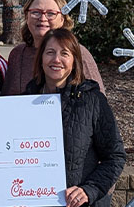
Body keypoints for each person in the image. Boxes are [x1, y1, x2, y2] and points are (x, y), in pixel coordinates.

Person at [24, 28, 126, 207]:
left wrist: (90, 189)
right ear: (40, 59)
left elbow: (115, 156)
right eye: (50, 52)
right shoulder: (24, 102)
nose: (56, 59)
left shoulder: (92, 101)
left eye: (64, 53)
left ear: (74, 61)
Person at [2, 0, 105, 95]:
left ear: (62, 19)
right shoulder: (18, 54)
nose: (42, 18)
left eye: (51, 13)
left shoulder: (79, 53)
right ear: (27, 16)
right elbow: (7, 99)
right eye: (36, 12)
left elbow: (97, 102)